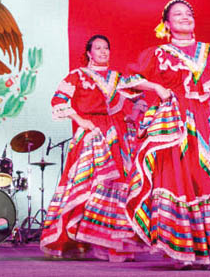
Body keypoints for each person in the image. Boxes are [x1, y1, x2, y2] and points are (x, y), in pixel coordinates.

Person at [125, 0, 210, 270]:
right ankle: (180, 252)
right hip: (175, 123)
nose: (185, 17)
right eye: (178, 14)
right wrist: (158, 90)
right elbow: (130, 79)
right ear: (167, 24)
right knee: (178, 181)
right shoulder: (159, 53)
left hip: (205, 123)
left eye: (189, 13)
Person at [40, 35, 150, 261]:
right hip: (91, 133)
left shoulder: (118, 78)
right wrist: (81, 122)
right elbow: (59, 101)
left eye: (106, 48)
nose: (103, 52)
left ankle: (112, 243)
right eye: (98, 48)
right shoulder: (77, 76)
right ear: (89, 52)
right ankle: (84, 241)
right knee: (89, 185)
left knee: (117, 186)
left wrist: (133, 116)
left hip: (117, 135)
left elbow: (139, 99)